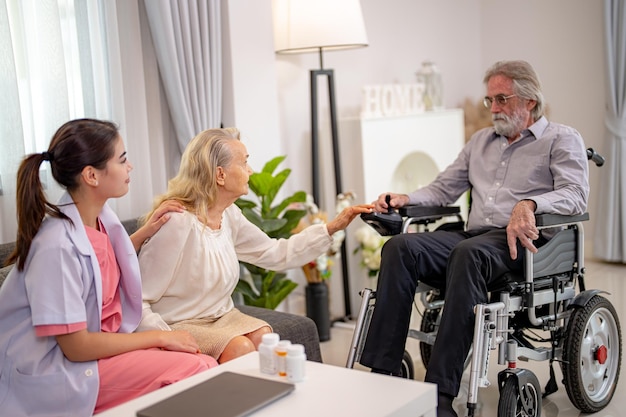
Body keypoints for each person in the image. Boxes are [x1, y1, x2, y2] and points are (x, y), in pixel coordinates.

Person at [358, 60, 589, 417]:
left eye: (501, 99)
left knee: (468, 254)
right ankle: (383, 374)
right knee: (401, 247)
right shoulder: (481, 141)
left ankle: (440, 395)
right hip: (475, 237)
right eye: (490, 100)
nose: (493, 109)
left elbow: (576, 195)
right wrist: (407, 198)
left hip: (525, 246)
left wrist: (529, 204)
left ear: (529, 100)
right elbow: (444, 187)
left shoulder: (561, 138)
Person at [0, 119, 218, 417]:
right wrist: (160, 337)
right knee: (199, 369)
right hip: (59, 371)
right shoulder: (55, 246)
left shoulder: (98, 217)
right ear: (91, 175)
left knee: (200, 365)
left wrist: (145, 233)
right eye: (122, 159)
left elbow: (95, 261)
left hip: (93, 352)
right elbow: (75, 347)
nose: (130, 167)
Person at [136, 127, 373, 363]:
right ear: (220, 175)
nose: (250, 171)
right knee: (239, 348)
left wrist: (331, 227)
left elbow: (275, 253)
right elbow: (139, 297)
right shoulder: (176, 222)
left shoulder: (229, 214)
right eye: (244, 163)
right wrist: (165, 338)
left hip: (221, 316)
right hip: (179, 323)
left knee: (264, 336)